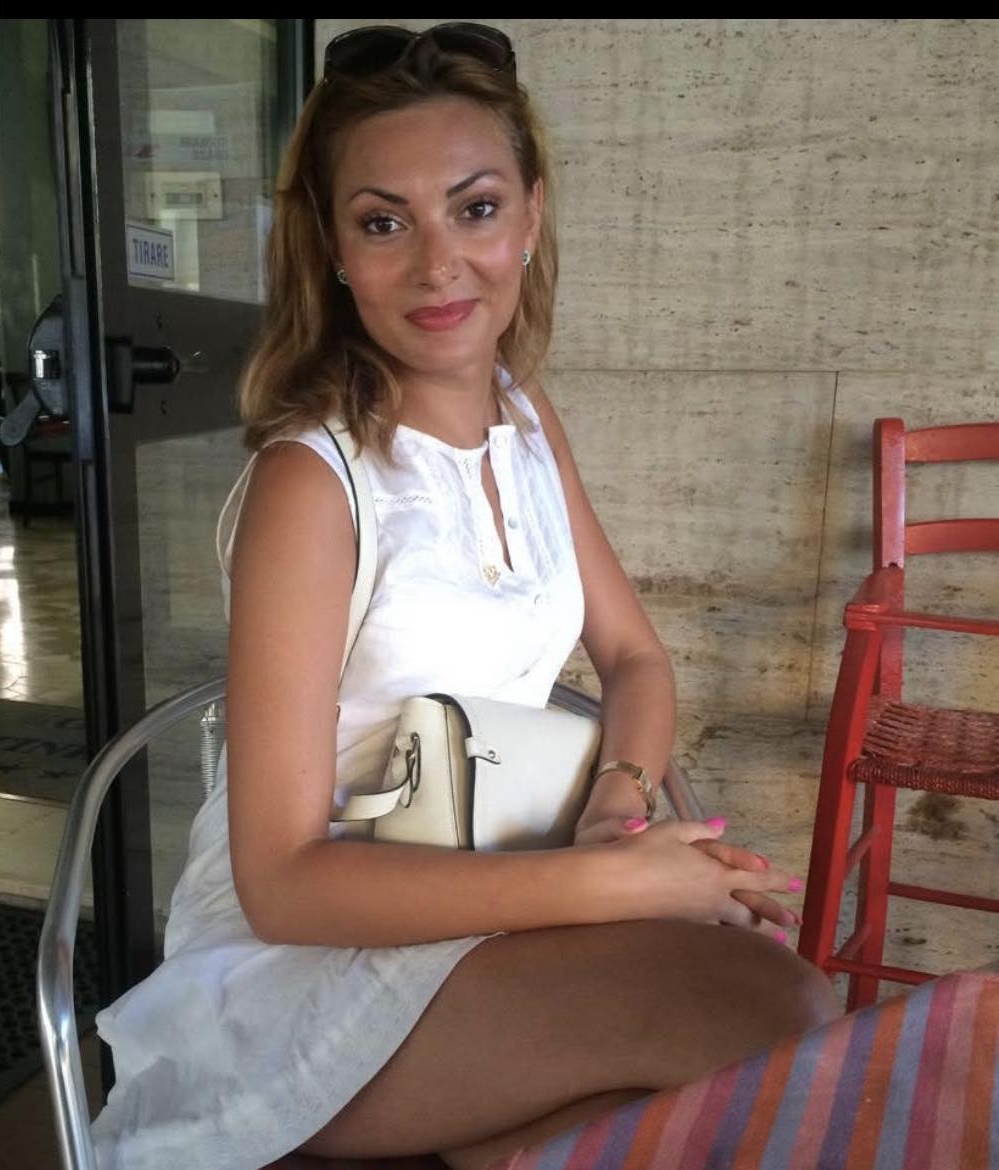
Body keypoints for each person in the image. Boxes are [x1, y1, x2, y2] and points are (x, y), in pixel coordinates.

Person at [91, 24, 840, 1170]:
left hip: (499, 880)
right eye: (384, 222)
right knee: (775, 1016)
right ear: (334, 251)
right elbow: (283, 885)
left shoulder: (526, 420)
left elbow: (636, 659)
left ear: (531, 215)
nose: (439, 264)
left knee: (755, 1030)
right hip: (306, 967)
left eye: (475, 208)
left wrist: (618, 807)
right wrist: (607, 884)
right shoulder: (314, 482)